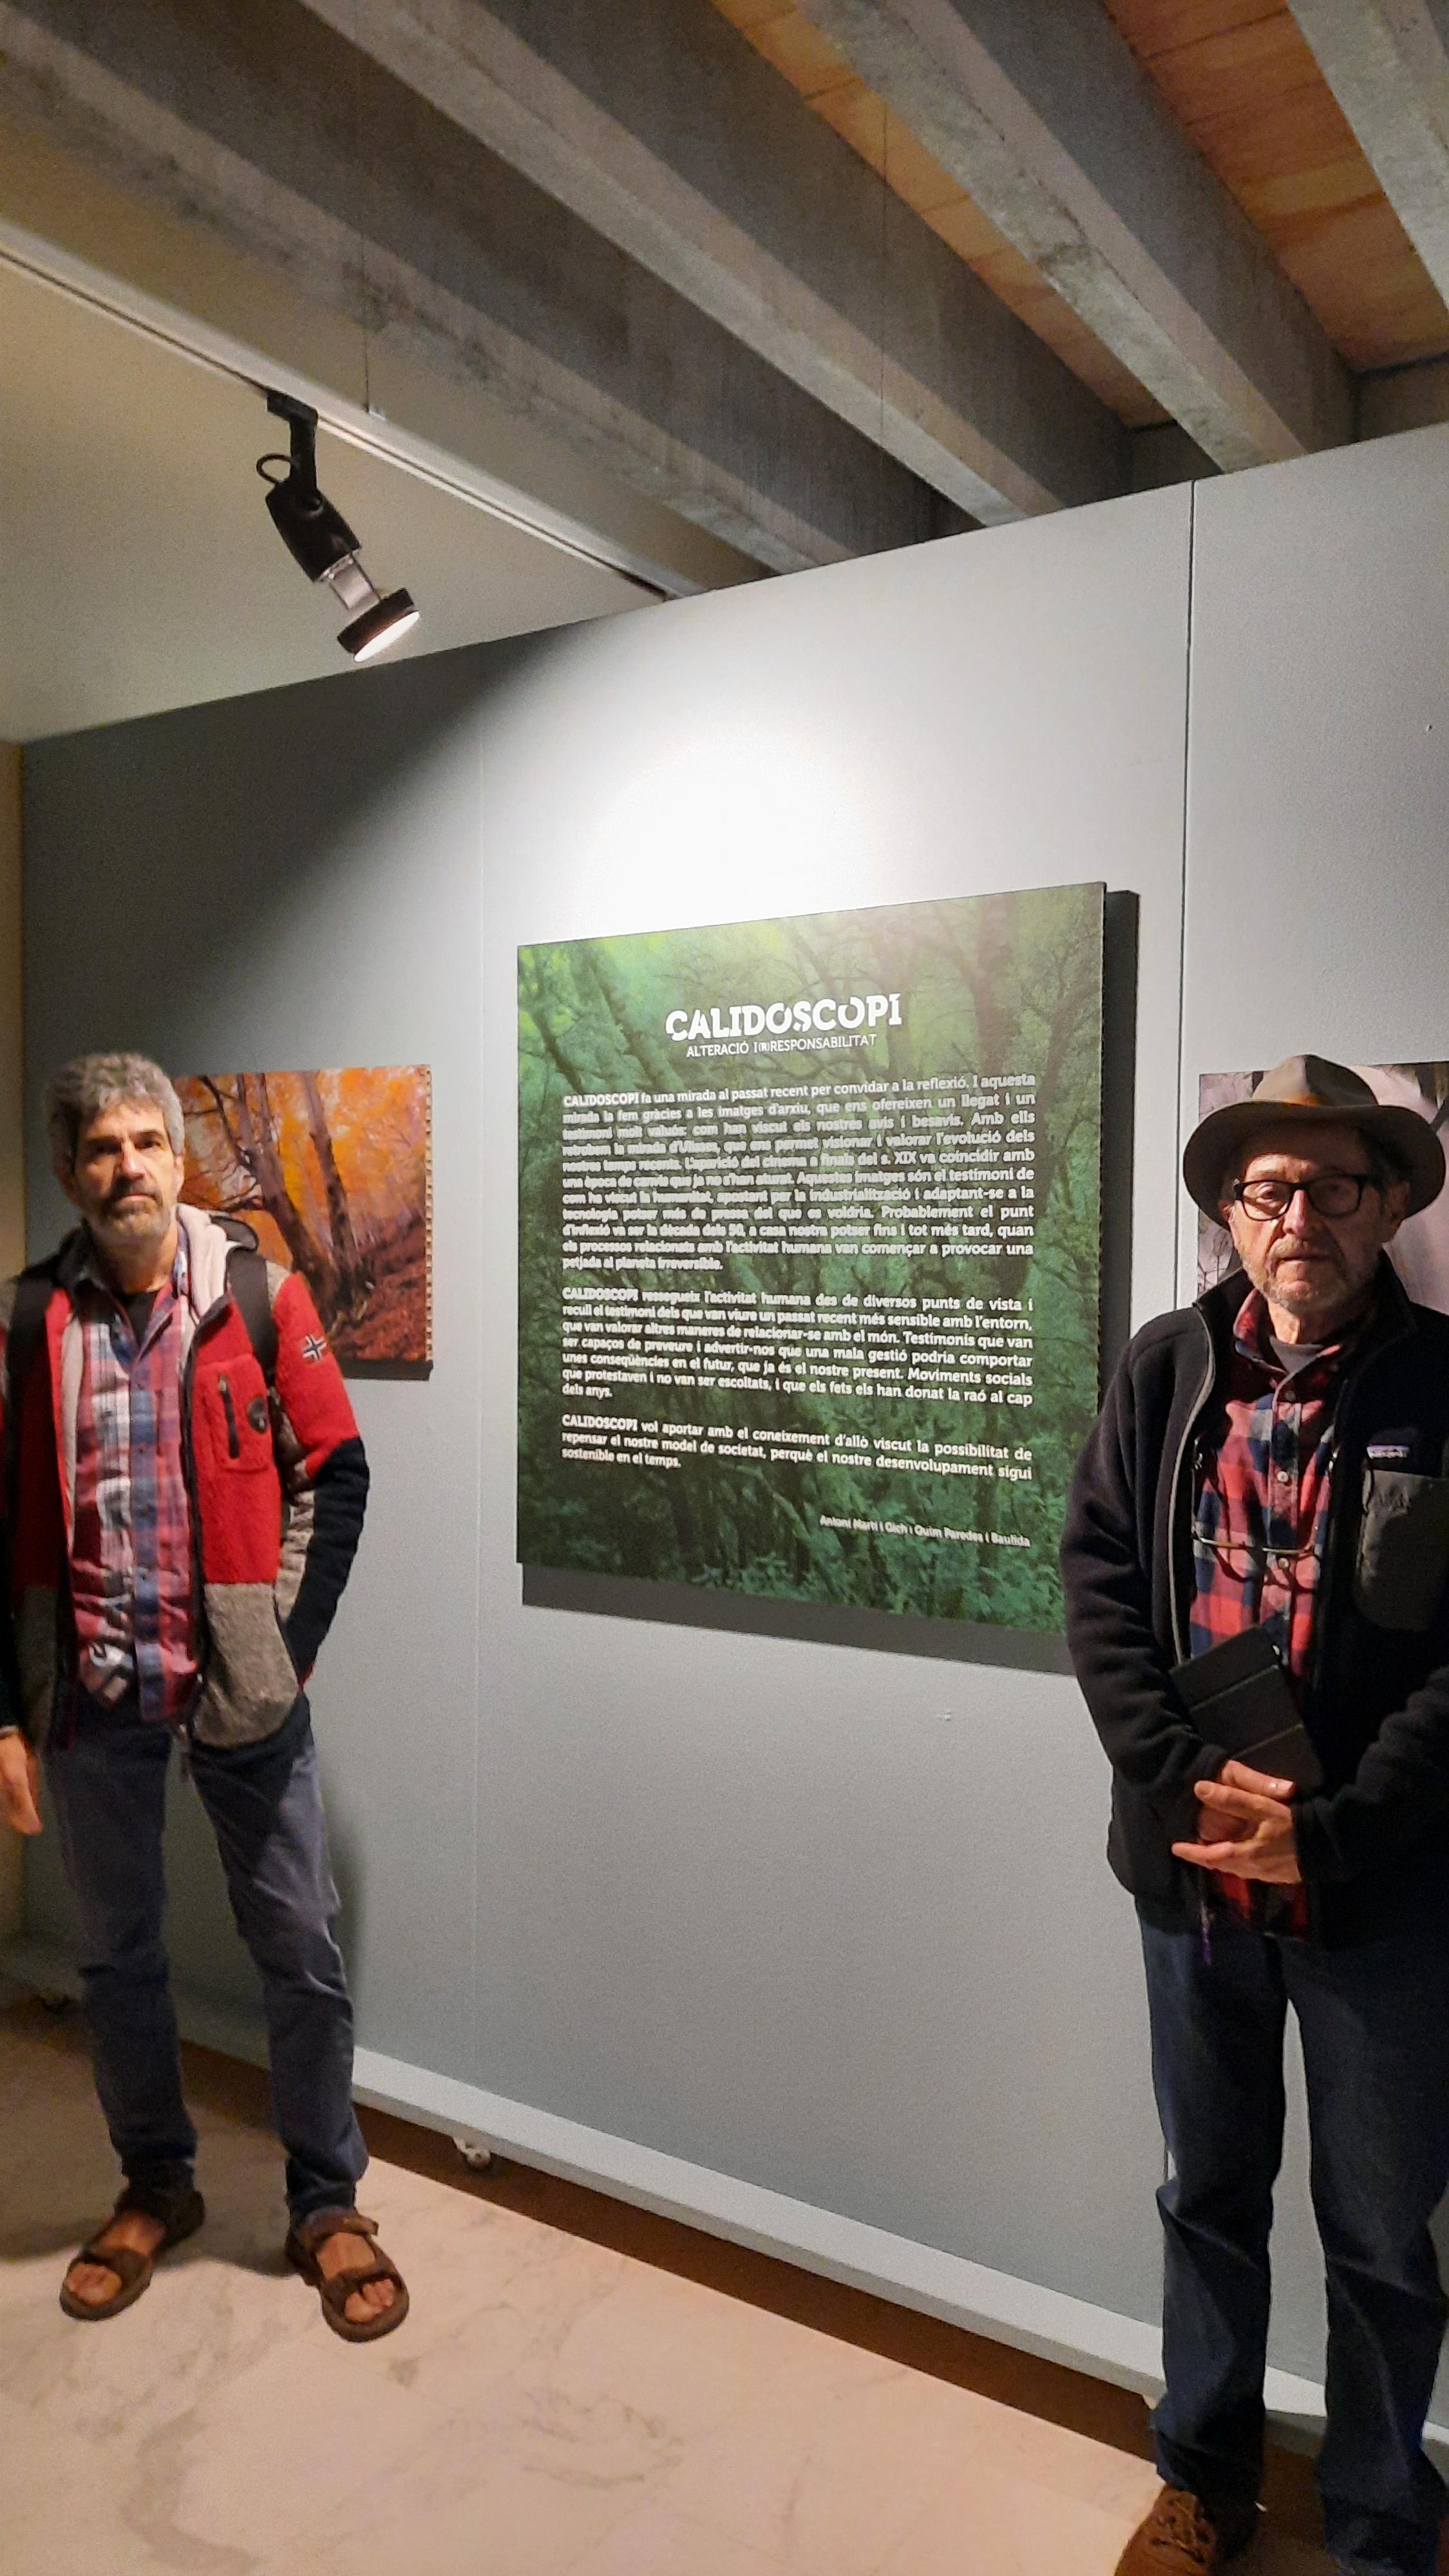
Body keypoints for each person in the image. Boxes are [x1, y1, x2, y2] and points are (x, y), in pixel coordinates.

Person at [1062, 1055, 1449, 2576]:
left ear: (1388, 1202)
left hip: (1381, 1893)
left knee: (1382, 2232)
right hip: (1196, 1881)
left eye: (1334, 1185)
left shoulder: (1445, 1382)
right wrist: (1179, 1782)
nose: (1301, 1216)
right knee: (1207, 2194)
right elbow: (1099, 1579)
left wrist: (1334, 1831)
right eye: (1269, 1189)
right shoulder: (1165, 1368)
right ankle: (1206, 2478)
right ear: (1231, 1212)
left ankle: (1379, 2527)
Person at [0, 1052, 408, 2340]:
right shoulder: (28, 1320)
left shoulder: (258, 1296)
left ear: (178, 1160)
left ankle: (327, 2199)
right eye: (100, 1147)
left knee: (299, 1945)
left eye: (145, 1142)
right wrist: (6, 1712)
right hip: (93, 1693)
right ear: (69, 1171)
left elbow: (336, 1472)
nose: (126, 1166)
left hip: (242, 1690)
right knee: (117, 1955)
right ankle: (155, 2184)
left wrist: (283, 1641)